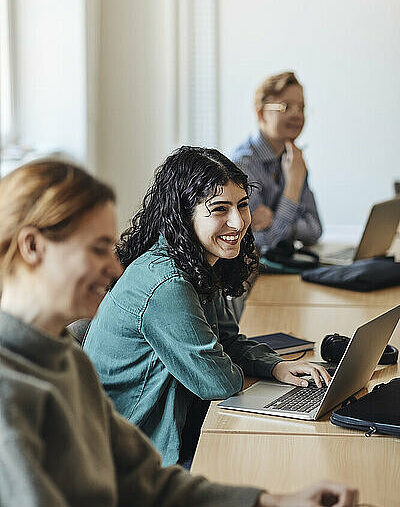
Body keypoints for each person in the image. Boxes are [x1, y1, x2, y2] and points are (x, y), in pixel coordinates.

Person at [0, 159, 358, 507]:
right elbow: (216, 383)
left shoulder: (65, 359)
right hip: (168, 440)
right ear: (32, 247)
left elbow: (144, 479)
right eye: (97, 249)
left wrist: (274, 501)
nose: (113, 267)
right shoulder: (11, 391)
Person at [84, 146, 330, 468]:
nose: (238, 221)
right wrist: (235, 367)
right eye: (219, 209)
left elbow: (226, 340)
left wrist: (275, 366)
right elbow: (218, 381)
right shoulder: (166, 284)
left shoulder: (197, 264)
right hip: (136, 454)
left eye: (243, 205)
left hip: (175, 425)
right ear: (184, 215)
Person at [231, 71, 322, 253]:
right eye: (285, 107)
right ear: (261, 114)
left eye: (301, 108)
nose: (297, 115)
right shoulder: (241, 165)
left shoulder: (293, 159)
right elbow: (265, 242)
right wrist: (293, 187)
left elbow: (315, 229)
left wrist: (276, 220)